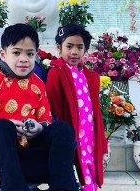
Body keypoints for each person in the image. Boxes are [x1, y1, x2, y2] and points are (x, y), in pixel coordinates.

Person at [0, 23, 77, 191]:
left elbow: (46, 121)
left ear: (35, 55)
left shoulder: (38, 84)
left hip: (31, 151)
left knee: (63, 129)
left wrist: (39, 128)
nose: (23, 59)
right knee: (2, 125)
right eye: (16, 52)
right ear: (3, 54)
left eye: (29, 53)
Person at [46, 24, 108, 190]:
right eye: (69, 46)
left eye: (79, 47)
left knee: (90, 167)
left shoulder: (89, 75)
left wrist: (101, 139)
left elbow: (96, 110)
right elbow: (55, 106)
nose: (74, 52)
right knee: (75, 170)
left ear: (85, 49)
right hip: (71, 131)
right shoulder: (56, 72)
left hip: (89, 132)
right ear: (59, 48)